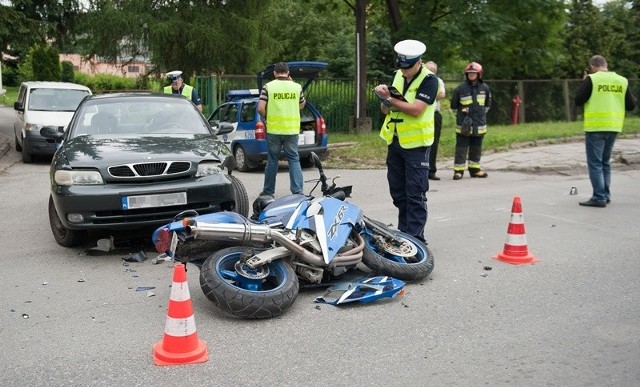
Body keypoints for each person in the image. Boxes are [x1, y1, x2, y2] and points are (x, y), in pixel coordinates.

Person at [374, 39, 439, 243]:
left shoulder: (430, 80)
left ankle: (416, 238)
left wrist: (391, 100)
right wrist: (384, 98)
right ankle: (404, 233)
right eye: (401, 67)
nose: (404, 71)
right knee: (398, 192)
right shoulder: (399, 75)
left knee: (416, 192)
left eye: (407, 67)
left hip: (417, 144)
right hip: (395, 141)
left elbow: (417, 109)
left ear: (418, 62)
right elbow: (386, 109)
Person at [574, 55, 636, 208]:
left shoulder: (592, 79)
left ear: (592, 66)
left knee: (595, 163)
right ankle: (605, 195)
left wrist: (584, 83)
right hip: (614, 126)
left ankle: (599, 197)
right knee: (605, 162)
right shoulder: (622, 80)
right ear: (605, 65)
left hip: (596, 127)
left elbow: (578, 100)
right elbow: (631, 105)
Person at [257, 62, 306, 198]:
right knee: (293, 159)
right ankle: (297, 191)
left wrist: (266, 118)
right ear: (288, 73)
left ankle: (268, 191)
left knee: (272, 160)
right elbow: (302, 105)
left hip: (274, 130)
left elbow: (260, 107)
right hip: (291, 130)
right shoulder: (297, 87)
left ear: (274, 73)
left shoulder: (268, 87)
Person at [450, 62, 492, 180]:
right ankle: (458, 171)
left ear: (479, 74)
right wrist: (463, 116)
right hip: (464, 125)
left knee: (476, 147)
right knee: (461, 148)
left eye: (474, 73)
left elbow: (487, 106)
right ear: (466, 75)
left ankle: (475, 170)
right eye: (469, 73)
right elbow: (454, 106)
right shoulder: (460, 88)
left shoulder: (485, 88)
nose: (472, 75)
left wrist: (480, 115)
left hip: (479, 124)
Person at [425, 61, 446, 180]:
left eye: (433, 70)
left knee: (434, 142)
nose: (431, 72)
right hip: (422, 114)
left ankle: (431, 170)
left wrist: (427, 93)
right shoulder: (420, 80)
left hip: (434, 114)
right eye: (429, 69)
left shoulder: (439, 81)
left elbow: (442, 94)